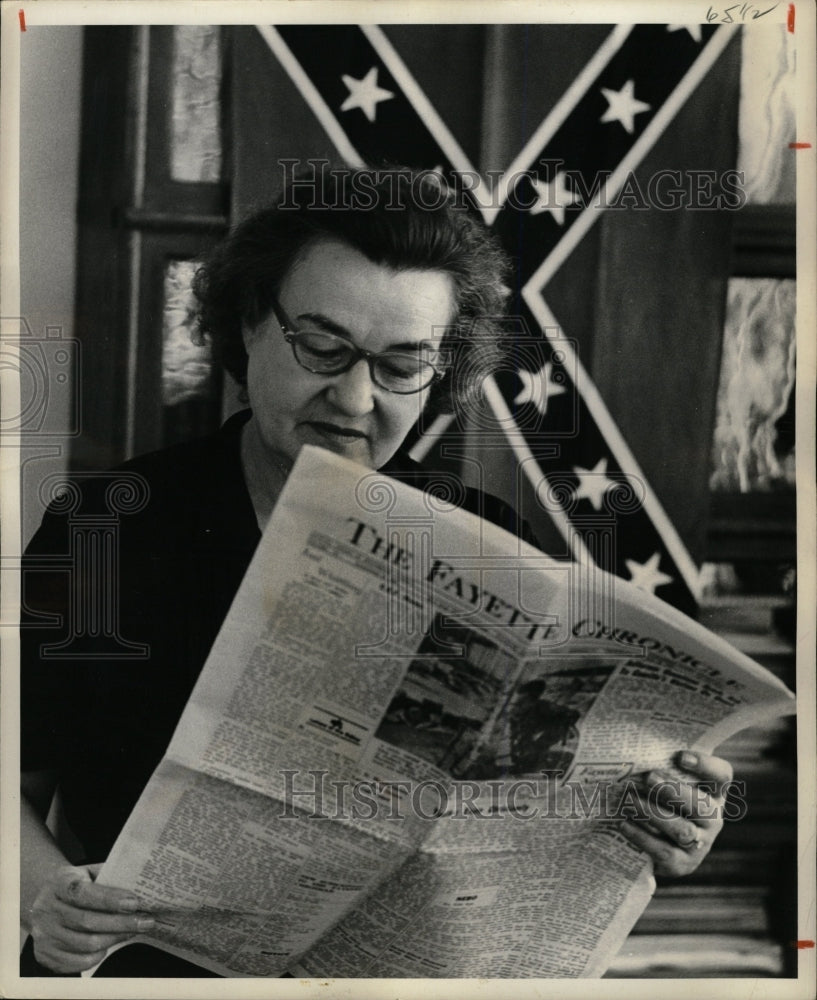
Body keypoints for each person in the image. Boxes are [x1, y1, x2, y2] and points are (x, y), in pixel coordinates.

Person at [20, 166, 734, 977]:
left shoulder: (485, 539)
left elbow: (535, 814)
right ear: (249, 322)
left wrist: (651, 823)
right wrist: (47, 896)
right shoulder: (106, 526)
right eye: (323, 347)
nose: (355, 399)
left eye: (401, 366)